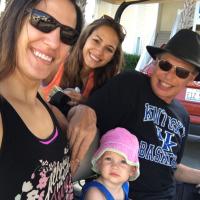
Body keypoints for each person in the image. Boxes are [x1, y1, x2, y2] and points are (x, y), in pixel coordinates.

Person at [67, 29, 200, 199]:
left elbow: (171, 168)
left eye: (181, 72)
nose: (169, 76)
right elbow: (88, 111)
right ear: (156, 62)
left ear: (191, 78)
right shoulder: (130, 85)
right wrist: (81, 110)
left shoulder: (183, 116)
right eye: (165, 65)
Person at [0, 0, 82, 199]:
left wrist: (83, 111)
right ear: (15, 19)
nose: (54, 42)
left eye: (67, 34)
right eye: (42, 21)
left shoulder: (41, 102)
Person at [59, 15, 126, 105]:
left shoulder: (110, 82)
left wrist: (84, 101)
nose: (99, 52)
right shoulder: (58, 63)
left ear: (113, 57)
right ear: (85, 38)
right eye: (96, 41)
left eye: (109, 49)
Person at [80, 127, 140, 200]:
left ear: (132, 170)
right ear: (99, 162)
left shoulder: (125, 185)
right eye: (108, 159)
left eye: (123, 162)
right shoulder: (95, 194)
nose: (115, 166)